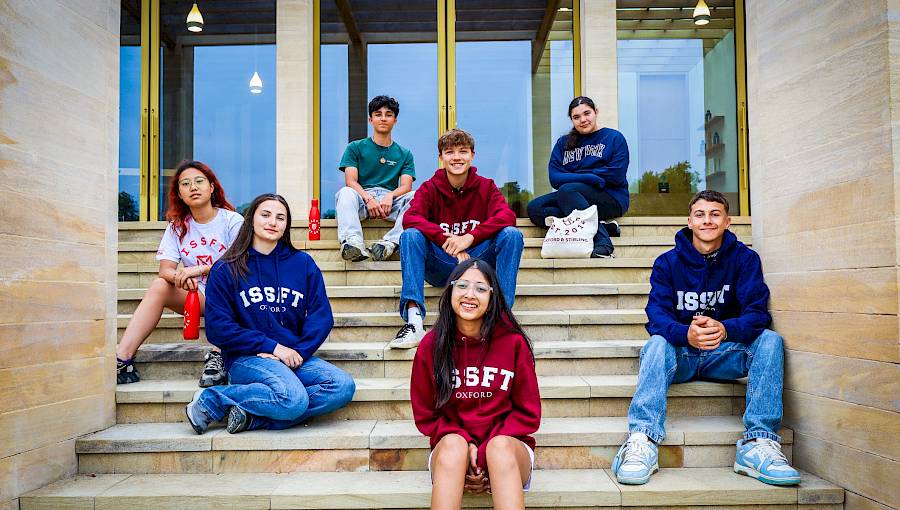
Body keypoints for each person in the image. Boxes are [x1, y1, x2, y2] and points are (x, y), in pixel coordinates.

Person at [612, 190, 800, 486]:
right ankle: (642, 439)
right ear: (689, 221)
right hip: (681, 356)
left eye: (715, 214)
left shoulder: (745, 259)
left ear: (728, 221)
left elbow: (757, 314)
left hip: (725, 354)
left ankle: (758, 442)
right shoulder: (667, 263)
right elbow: (657, 317)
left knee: (770, 340)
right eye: (700, 215)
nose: (707, 220)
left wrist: (725, 329)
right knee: (656, 344)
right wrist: (686, 334)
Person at [184, 194, 355, 434]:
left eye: (280, 217)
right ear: (251, 219)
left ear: (286, 225)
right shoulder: (226, 269)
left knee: (342, 386)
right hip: (246, 358)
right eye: (265, 215)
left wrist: (298, 351)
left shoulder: (303, 264)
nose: (273, 222)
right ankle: (213, 399)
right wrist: (272, 347)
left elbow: (321, 316)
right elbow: (218, 328)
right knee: (293, 399)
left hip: (292, 355)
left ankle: (251, 417)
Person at [411, 258, 540, 510]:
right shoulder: (431, 346)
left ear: (492, 298)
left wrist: (484, 453)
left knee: (499, 449)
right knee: (453, 447)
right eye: (462, 286)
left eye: (480, 289)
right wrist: (465, 443)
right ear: (450, 290)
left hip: (509, 447)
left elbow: (528, 413)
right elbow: (426, 415)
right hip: (452, 451)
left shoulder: (513, 343)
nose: (470, 294)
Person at [392, 128, 524, 349]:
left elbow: (507, 216)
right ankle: (414, 322)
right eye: (449, 152)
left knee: (511, 235)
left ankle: (501, 318)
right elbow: (411, 217)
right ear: (441, 157)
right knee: (410, 236)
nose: (456, 157)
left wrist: (469, 238)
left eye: (463, 151)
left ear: (472, 155)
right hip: (442, 264)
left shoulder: (486, 186)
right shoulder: (430, 187)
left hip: (478, 263)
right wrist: (448, 241)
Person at [116, 160, 243, 387]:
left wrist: (200, 269)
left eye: (199, 181)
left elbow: (239, 261)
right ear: (180, 194)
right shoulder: (177, 226)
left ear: (211, 187)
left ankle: (219, 357)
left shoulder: (232, 220)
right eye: (185, 184)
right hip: (199, 296)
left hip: (233, 294)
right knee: (159, 285)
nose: (193, 187)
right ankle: (122, 359)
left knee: (231, 288)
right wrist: (180, 278)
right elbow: (165, 270)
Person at [526, 96, 629, 258]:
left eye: (587, 113)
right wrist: (590, 177)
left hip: (611, 197)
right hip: (572, 196)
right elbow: (555, 178)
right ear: (572, 120)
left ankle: (603, 242)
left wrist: (572, 176)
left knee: (567, 190)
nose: (583, 120)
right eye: (576, 117)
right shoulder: (563, 144)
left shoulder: (613, 138)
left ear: (596, 112)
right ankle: (600, 226)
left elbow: (616, 175)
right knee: (535, 208)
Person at [337, 95, 416, 261]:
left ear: (395, 120)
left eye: (388, 115)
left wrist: (390, 196)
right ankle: (352, 242)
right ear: (370, 119)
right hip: (361, 199)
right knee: (345, 192)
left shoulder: (405, 154)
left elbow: (406, 186)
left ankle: (390, 243)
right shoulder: (355, 147)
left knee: (417, 196)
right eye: (378, 114)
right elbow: (350, 181)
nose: (383, 118)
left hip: (389, 204)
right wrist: (368, 198)